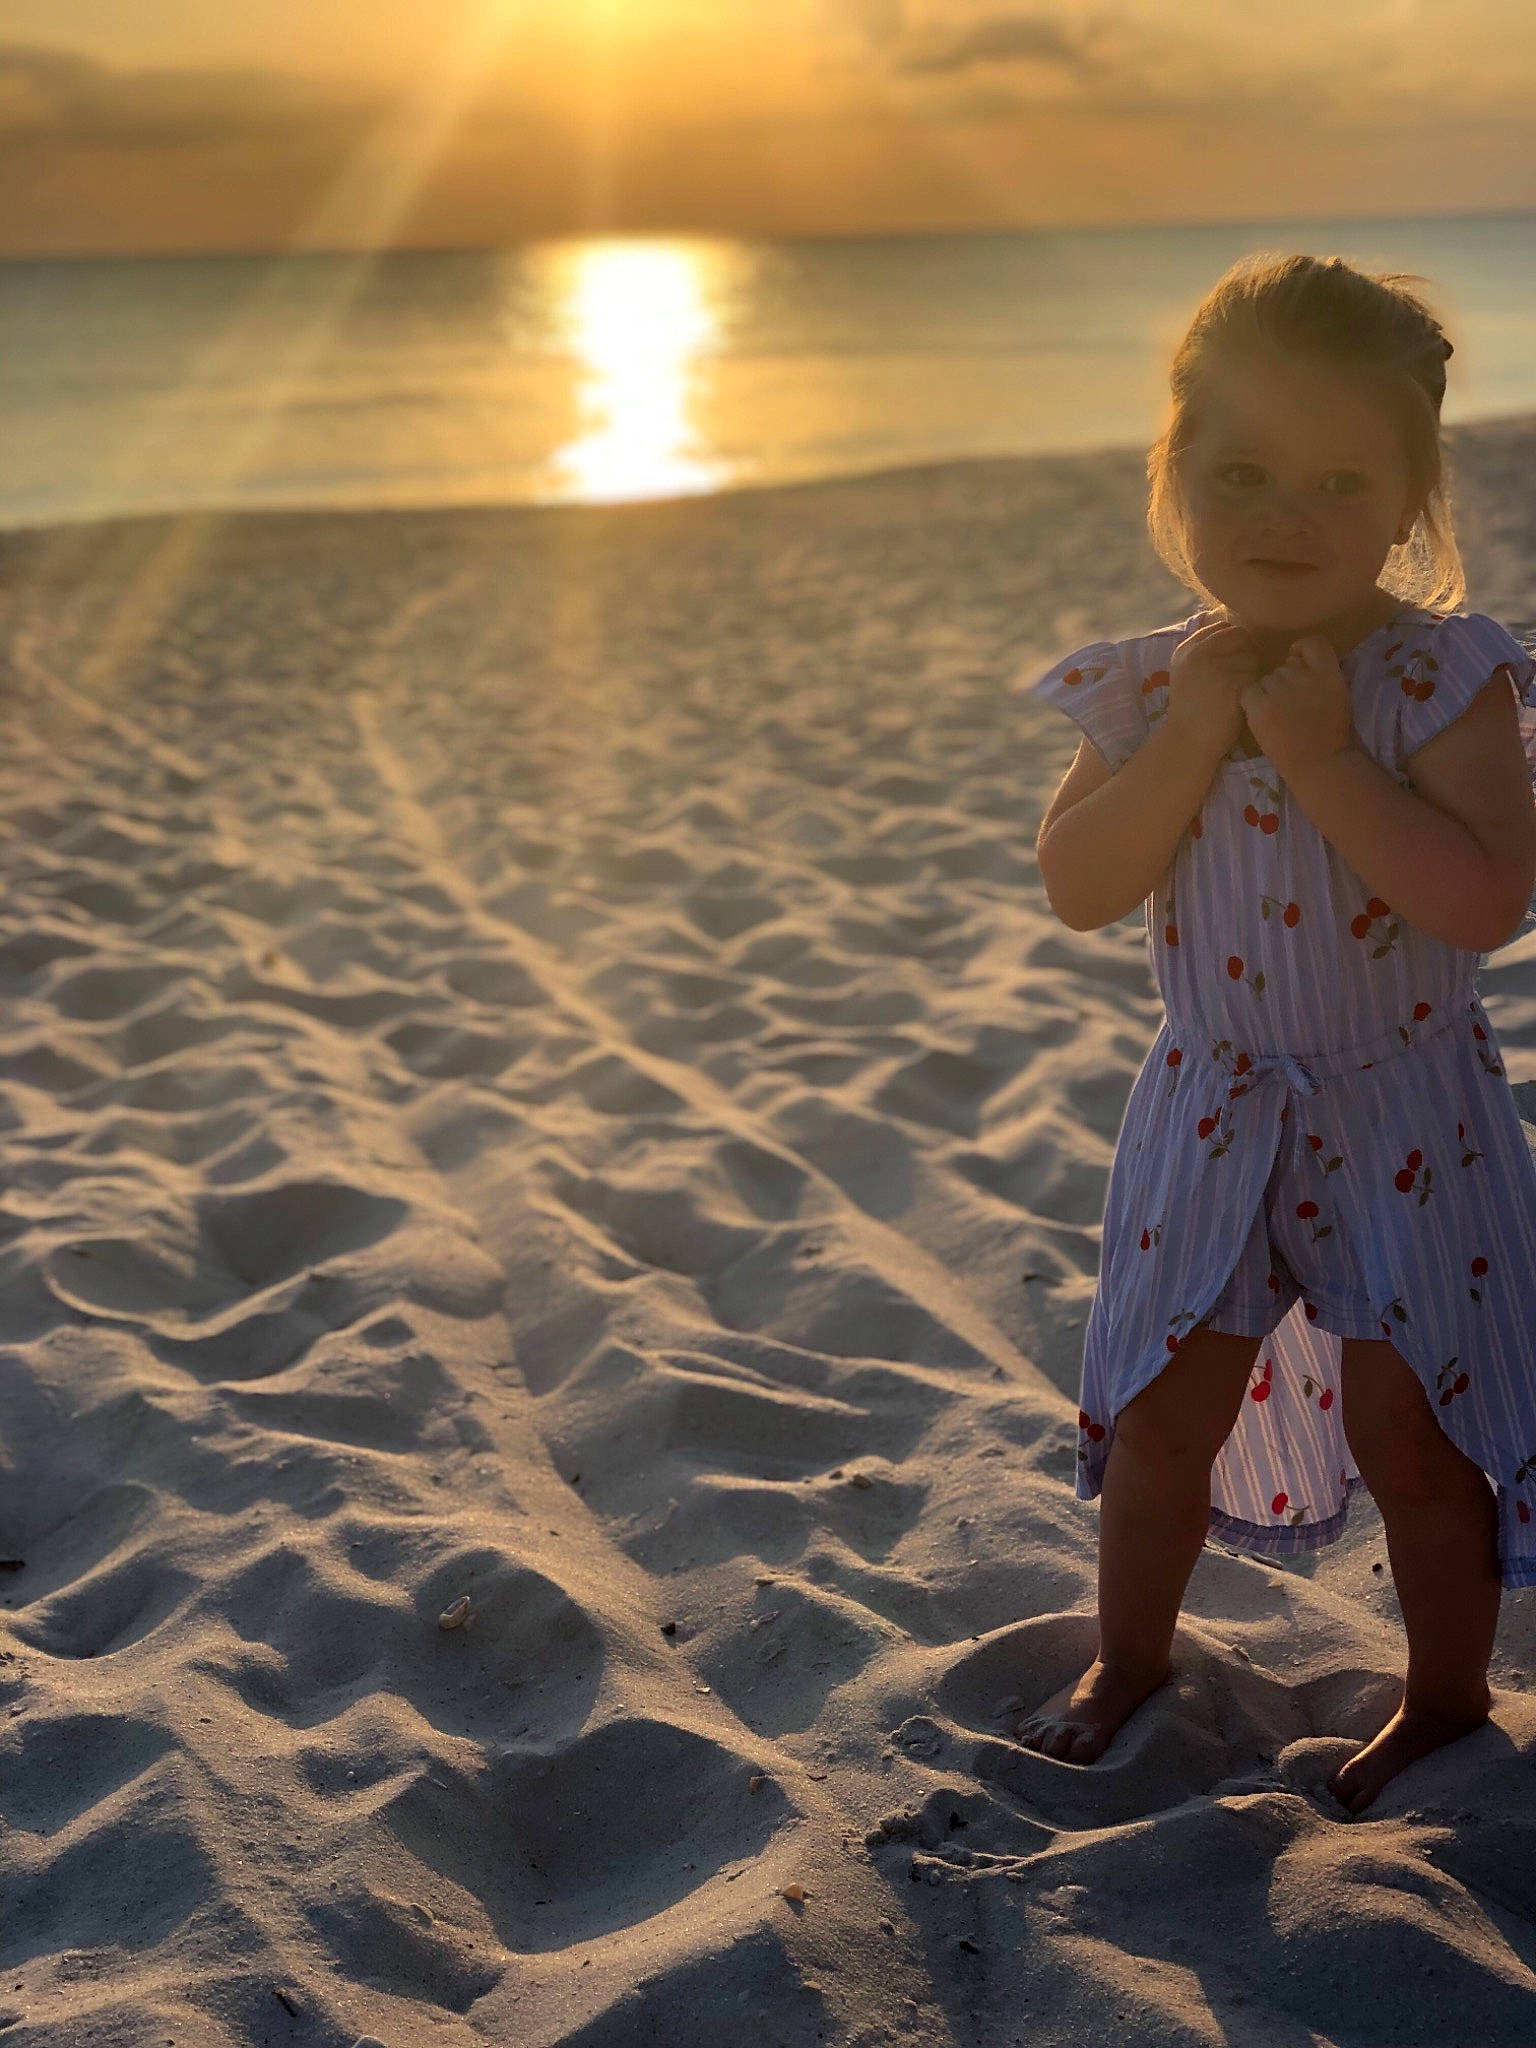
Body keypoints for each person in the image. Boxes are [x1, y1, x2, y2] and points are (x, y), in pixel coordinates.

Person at [1020, 252, 1536, 1816]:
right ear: (1174, 475)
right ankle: (1129, 1657)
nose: (1286, 516)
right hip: (1215, 1102)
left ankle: (1444, 1699)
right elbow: (1081, 887)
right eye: (1240, 473)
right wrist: (1193, 728)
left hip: (1404, 1112)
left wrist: (1320, 761)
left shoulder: (1440, 681)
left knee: (1410, 1430)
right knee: (1165, 1410)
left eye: (1338, 481)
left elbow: (1482, 904)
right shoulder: (1147, 685)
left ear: (1408, 501)